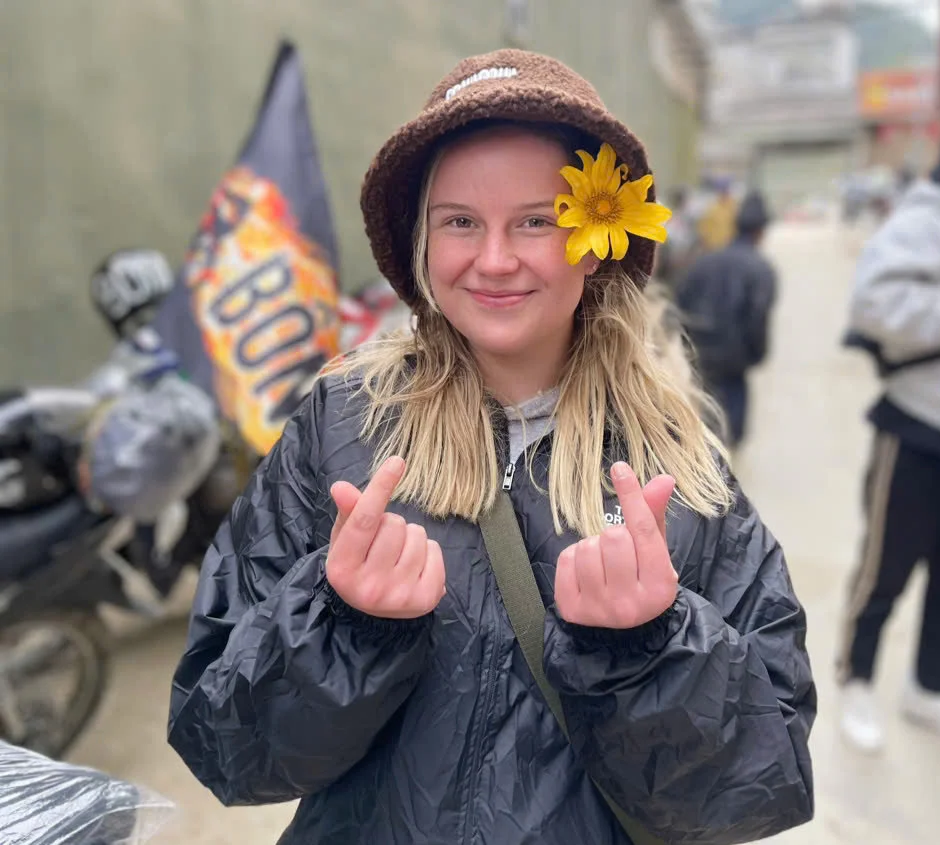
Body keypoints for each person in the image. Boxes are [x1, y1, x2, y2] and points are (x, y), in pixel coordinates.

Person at [167, 49, 815, 844]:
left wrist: (650, 653)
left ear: (596, 239)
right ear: (422, 242)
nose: (495, 259)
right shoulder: (340, 427)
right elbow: (222, 748)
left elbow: (762, 785)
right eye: (460, 222)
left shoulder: (676, 465)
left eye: (536, 220)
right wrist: (341, 627)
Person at [836, 132, 940, 753]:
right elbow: (874, 305)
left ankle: (931, 687)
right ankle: (855, 679)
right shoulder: (925, 221)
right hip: (918, 426)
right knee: (884, 569)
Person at [676, 192, 777, 449]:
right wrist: (757, 354)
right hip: (735, 359)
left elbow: (680, 303)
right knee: (733, 428)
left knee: (702, 419)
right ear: (761, 231)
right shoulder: (761, 268)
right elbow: (758, 317)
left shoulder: (704, 262)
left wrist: (685, 345)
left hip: (699, 351)